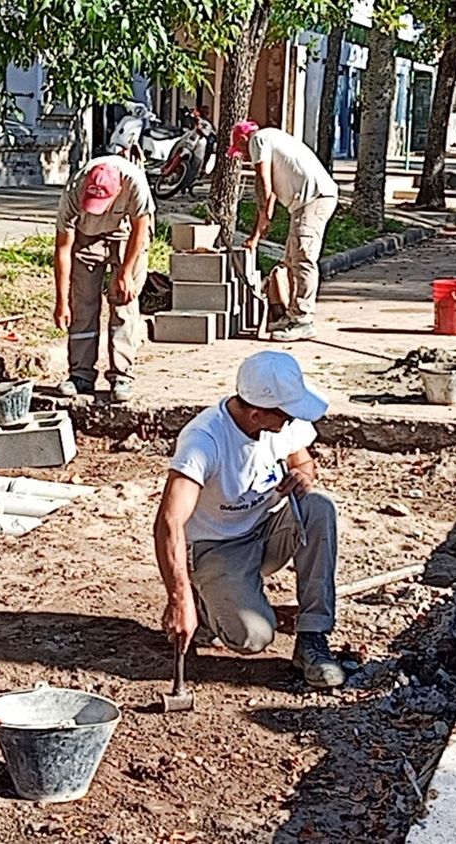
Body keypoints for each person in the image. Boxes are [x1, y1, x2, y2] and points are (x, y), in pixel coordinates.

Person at [152, 350, 345, 688]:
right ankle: (206, 604)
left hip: (265, 531)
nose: (293, 421)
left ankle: (312, 638)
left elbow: (304, 463)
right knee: (252, 639)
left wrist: (303, 476)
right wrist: (178, 599)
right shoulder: (204, 440)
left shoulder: (282, 422)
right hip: (216, 549)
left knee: (318, 507)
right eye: (286, 415)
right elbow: (168, 522)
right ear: (257, 414)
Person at [53, 154, 155, 403]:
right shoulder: (74, 189)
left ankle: (122, 375)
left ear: (119, 189)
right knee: (83, 304)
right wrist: (61, 301)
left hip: (127, 235)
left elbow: (140, 229)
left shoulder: (135, 182)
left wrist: (125, 274)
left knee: (123, 303)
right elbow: (63, 249)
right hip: (87, 237)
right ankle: (80, 375)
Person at [229, 121, 340, 343]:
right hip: (306, 202)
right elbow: (267, 195)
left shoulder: (258, 140)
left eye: (240, 151)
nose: (244, 157)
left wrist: (258, 229)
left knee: (303, 258)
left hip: (314, 199)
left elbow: (263, 185)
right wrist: (256, 234)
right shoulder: (272, 138)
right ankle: (292, 315)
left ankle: (303, 320)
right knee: (290, 259)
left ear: (242, 139)